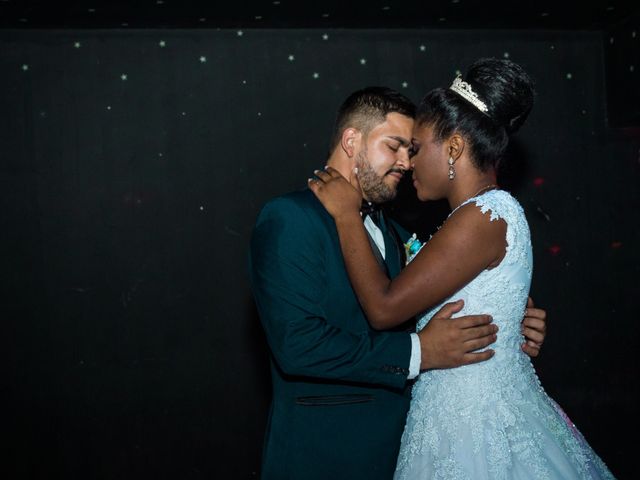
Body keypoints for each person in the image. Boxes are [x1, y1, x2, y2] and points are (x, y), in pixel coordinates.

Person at [308, 58, 614, 479]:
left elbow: (384, 307)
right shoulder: (481, 215)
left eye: (416, 148)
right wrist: (515, 318)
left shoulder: (482, 215)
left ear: (452, 148)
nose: (410, 163)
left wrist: (345, 215)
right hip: (455, 412)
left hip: (472, 424)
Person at [248, 85, 548, 480]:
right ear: (352, 140)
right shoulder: (290, 218)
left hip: (405, 452)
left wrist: (505, 322)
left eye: (412, 150)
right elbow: (298, 346)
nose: (406, 162)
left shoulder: (393, 231)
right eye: (395, 146)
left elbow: (416, 306)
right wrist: (419, 351)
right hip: (325, 455)